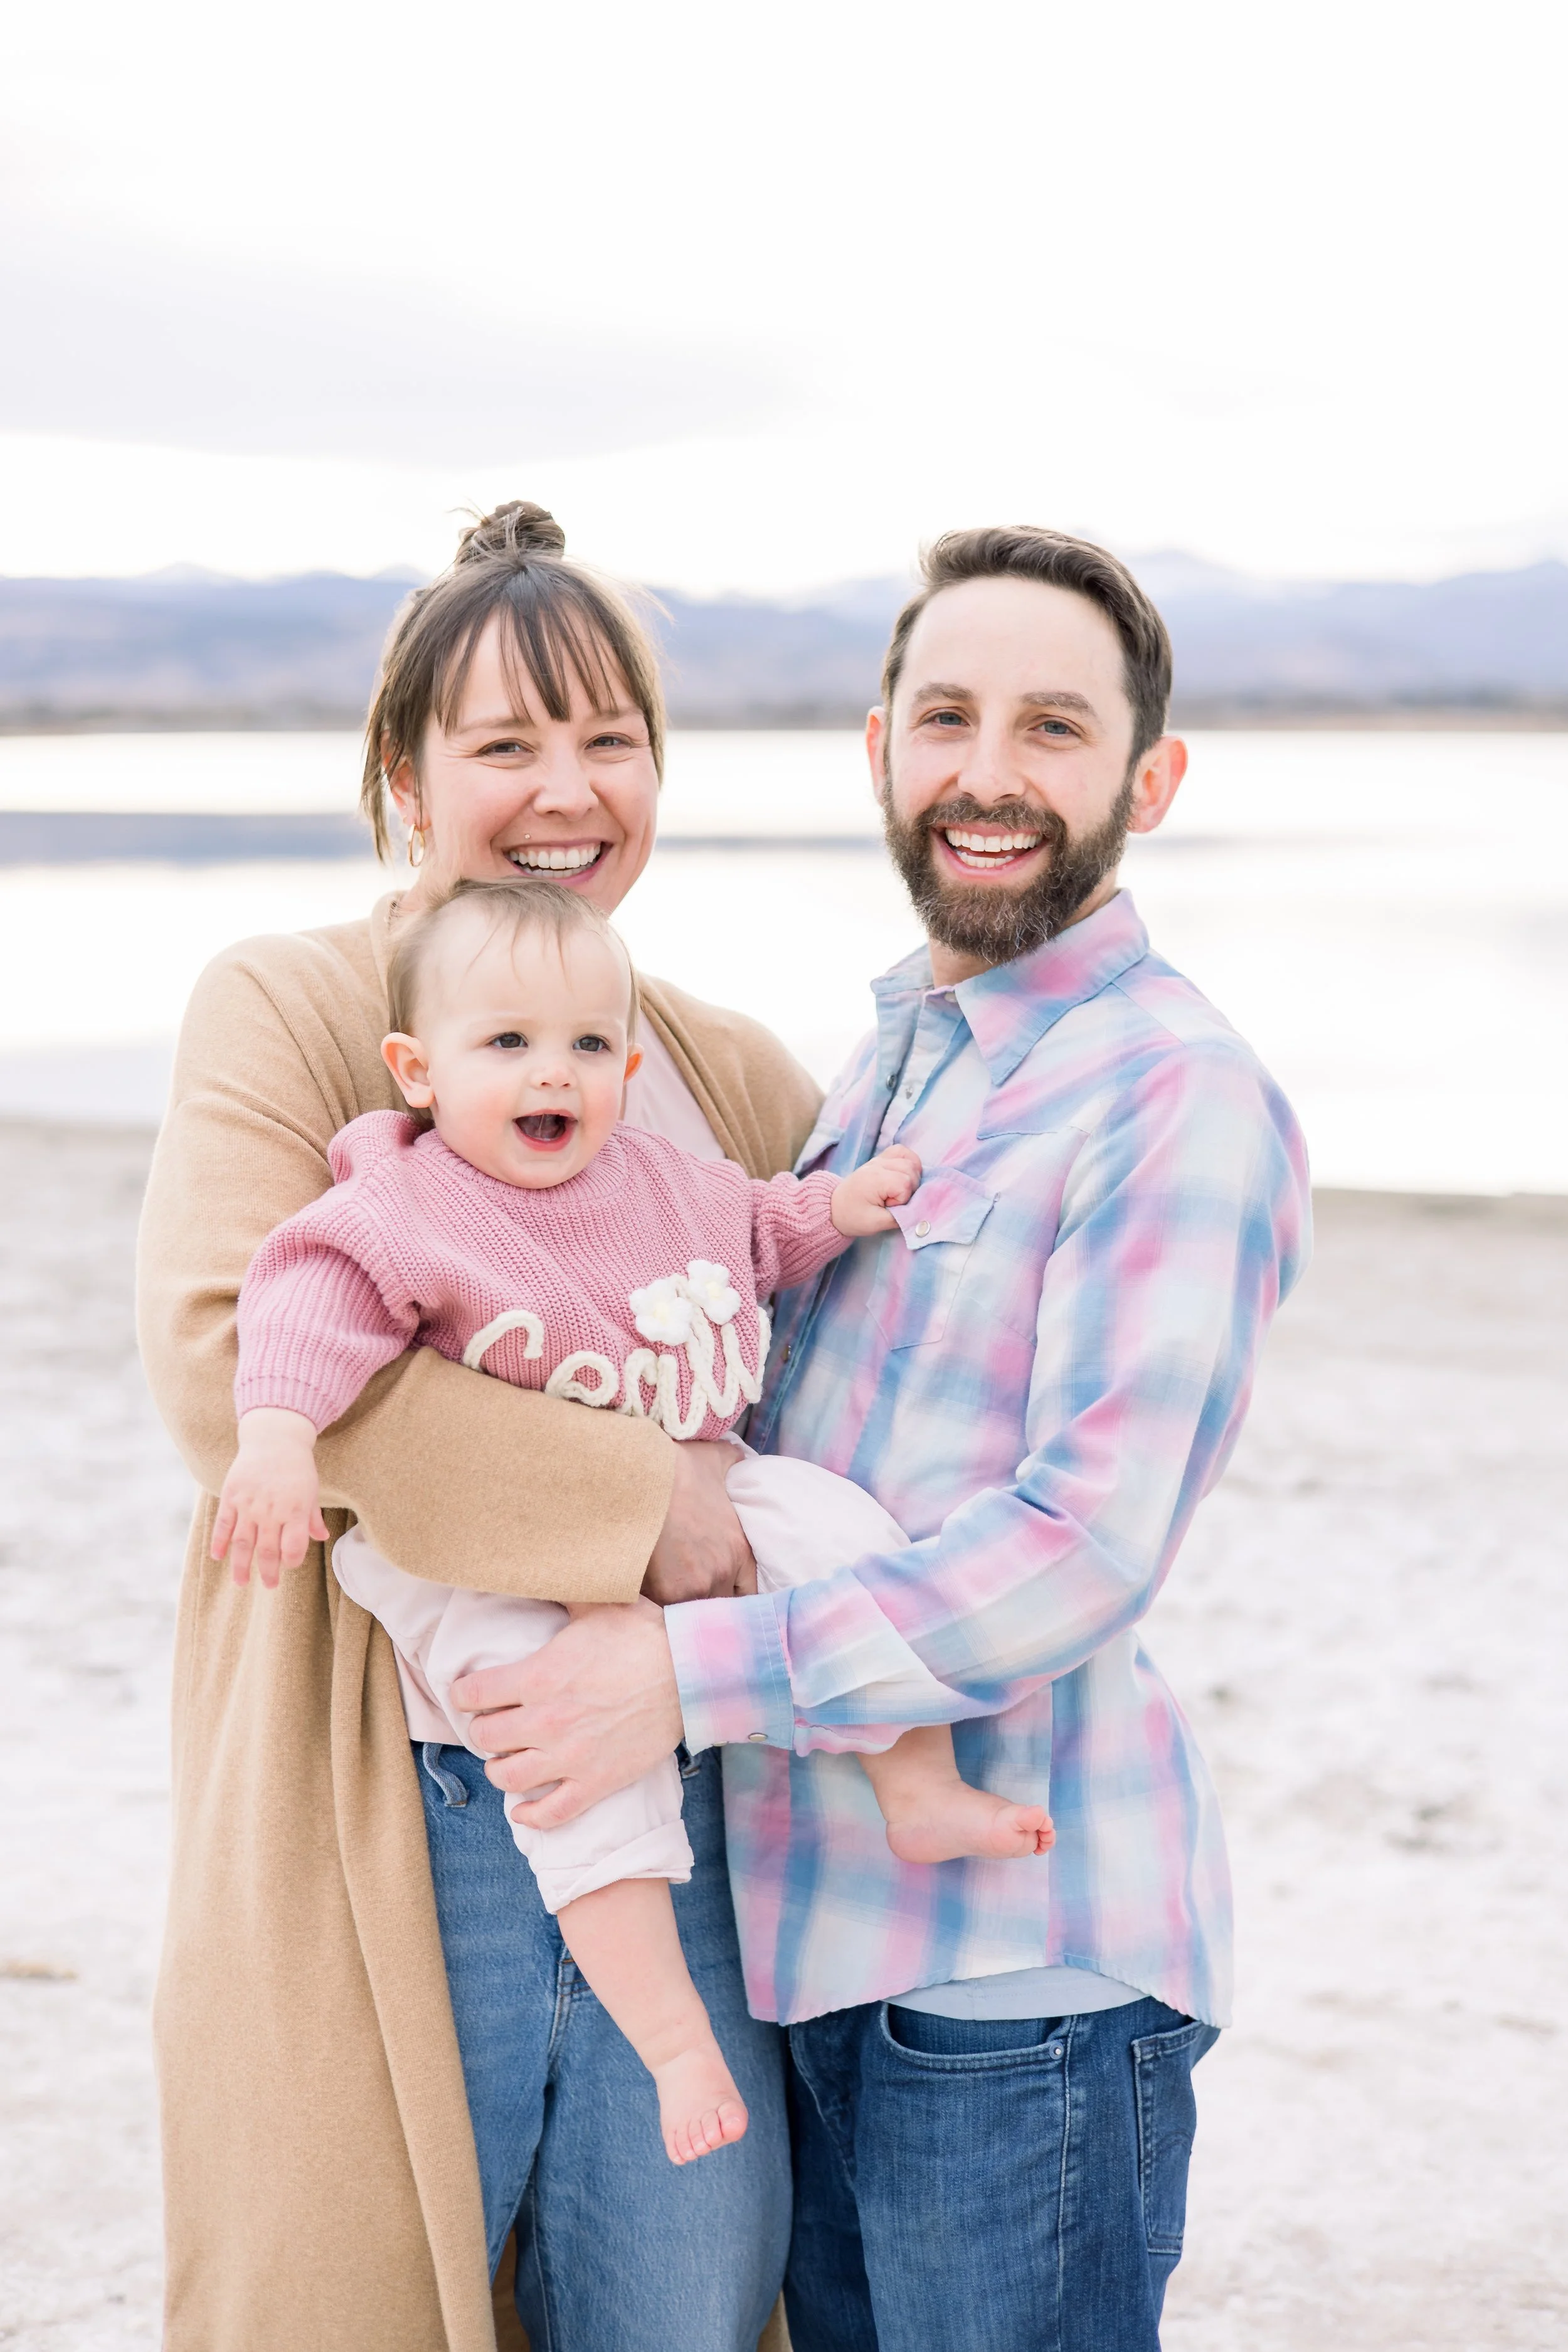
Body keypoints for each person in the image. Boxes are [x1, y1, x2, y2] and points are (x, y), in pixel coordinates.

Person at [454, 525, 1313, 2350]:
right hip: (819, 1956)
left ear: (1145, 779)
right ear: (878, 751)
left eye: (1052, 727)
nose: (987, 772)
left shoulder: (1174, 1091)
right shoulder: (894, 1065)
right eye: (946, 716)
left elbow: (1076, 1541)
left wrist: (680, 1670)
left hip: (1020, 1984)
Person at [137, 501, 818, 2352]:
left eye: (609, 739)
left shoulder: (733, 1069)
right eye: (505, 743)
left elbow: (844, 1370)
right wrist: (642, 1501)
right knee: (358, 2286)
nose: (565, 789)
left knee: (680, 2293)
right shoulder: (299, 1008)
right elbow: (227, 1355)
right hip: (386, 1779)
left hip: (681, 1787)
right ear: (405, 770)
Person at [211, 876, 1049, 2167]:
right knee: (573, 1786)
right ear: (415, 1070)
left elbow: (753, 1234)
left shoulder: (655, 1175)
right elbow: (308, 1311)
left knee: (840, 1528)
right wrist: (273, 1437)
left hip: (699, 1480)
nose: (553, 1072)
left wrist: (838, 1207)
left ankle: (916, 1783)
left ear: (628, 1063)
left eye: (587, 1045)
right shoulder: (405, 1205)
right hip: (489, 1550)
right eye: (506, 1044)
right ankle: (669, 2042)